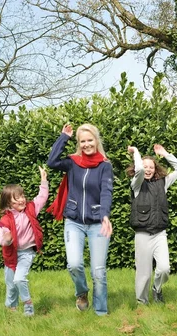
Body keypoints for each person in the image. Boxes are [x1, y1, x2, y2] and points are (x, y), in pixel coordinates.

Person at [46, 123, 113, 316]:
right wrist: (63, 138)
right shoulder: (73, 162)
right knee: (74, 264)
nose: (86, 144)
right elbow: (52, 162)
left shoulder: (105, 166)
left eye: (90, 140)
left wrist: (105, 216)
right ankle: (82, 293)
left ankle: (101, 312)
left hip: (97, 223)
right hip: (73, 221)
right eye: (82, 141)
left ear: (96, 140)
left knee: (98, 272)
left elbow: (106, 193)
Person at [126, 144, 177, 304]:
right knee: (143, 273)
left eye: (151, 167)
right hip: (142, 235)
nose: (148, 169)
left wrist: (165, 153)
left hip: (159, 234)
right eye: (145, 166)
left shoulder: (163, 183)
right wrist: (136, 152)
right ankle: (142, 302)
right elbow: (138, 171)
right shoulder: (136, 185)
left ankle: (157, 289)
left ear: (155, 169)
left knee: (164, 268)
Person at [0, 166, 48, 317]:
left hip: (26, 253)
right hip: (11, 254)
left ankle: (27, 304)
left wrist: (44, 180)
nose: (22, 199)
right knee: (11, 284)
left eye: (22, 196)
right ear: (8, 203)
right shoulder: (6, 219)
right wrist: (6, 240)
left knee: (19, 279)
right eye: (17, 198)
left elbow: (42, 197)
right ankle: (11, 309)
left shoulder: (31, 209)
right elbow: (3, 236)